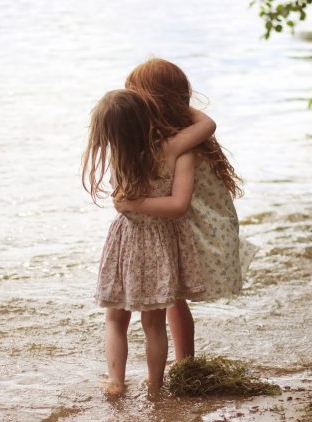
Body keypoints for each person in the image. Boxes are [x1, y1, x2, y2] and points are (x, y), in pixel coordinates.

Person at [115, 57, 257, 361]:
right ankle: (185, 363)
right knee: (175, 300)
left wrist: (132, 203)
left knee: (175, 300)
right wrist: (174, 103)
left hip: (196, 223)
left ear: (155, 102)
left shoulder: (179, 141)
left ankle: (185, 362)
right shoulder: (179, 132)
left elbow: (209, 123)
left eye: (139, 98)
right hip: (190, 220)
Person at [82, 89, 215, 395]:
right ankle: (155, 385)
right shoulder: (172, 151)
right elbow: (207, 125)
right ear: (148, 117)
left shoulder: (119, 155)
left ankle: (116, 382)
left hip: (126, 243)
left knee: (115, 319)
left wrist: (132, 206)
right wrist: (173, 103)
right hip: (158, 244)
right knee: (153, 324)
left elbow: (126, 204)